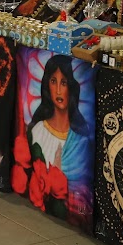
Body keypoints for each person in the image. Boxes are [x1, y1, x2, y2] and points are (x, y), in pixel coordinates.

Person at [28, 54, 91, 185]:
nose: (57, 90)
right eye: (53, 81)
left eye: (63, 83)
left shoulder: (80, 141)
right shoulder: (38, 131)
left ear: (72, 87)